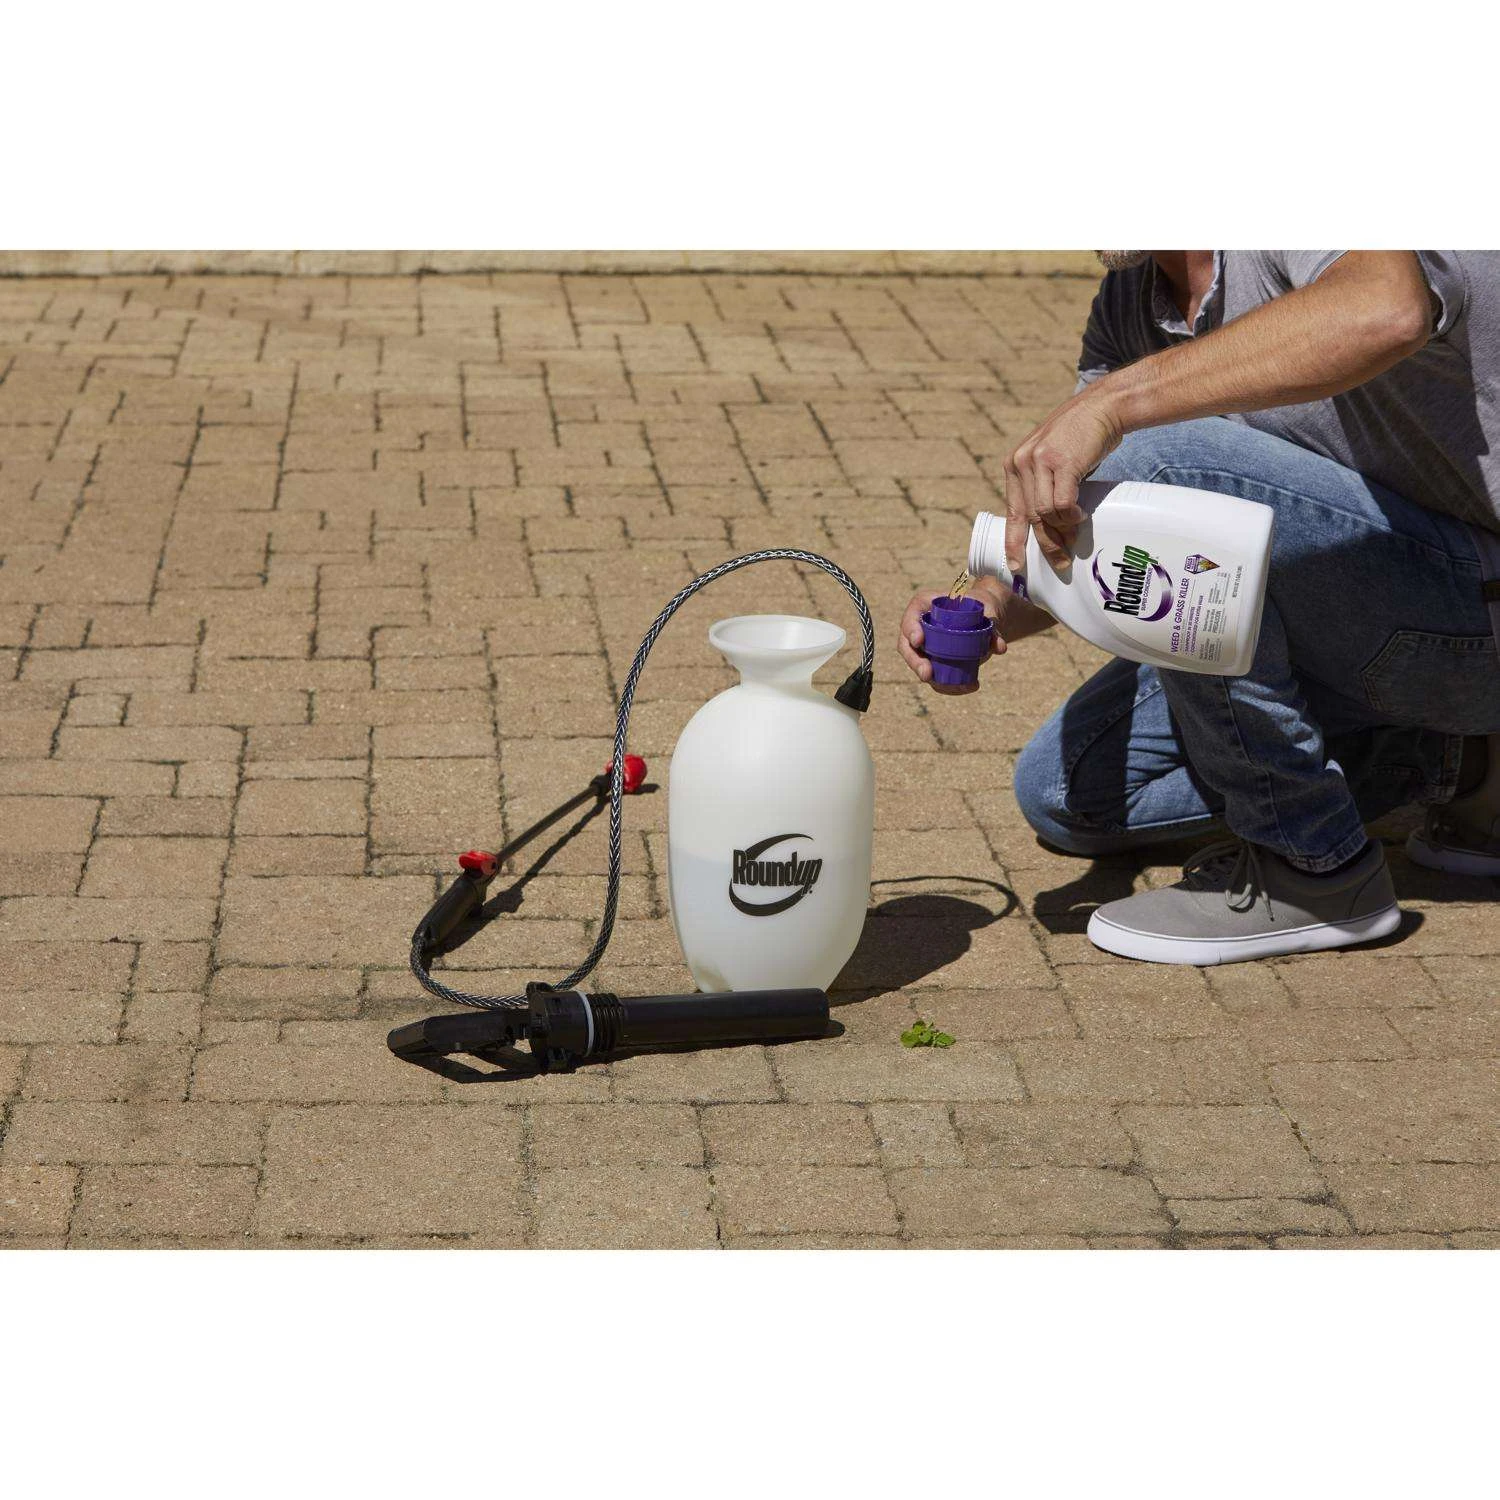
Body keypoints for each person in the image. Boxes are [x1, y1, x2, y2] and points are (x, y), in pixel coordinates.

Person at [899, 250, 1500, 965]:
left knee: (1157, 469)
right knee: (1066, 792)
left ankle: (1312, 866)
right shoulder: (1129, 303)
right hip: (1377, 611)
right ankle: (1462, 763)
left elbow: (1387, 311)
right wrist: (994, 597)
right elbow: (1086, 537)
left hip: (1476, 606)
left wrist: (1114, 403)